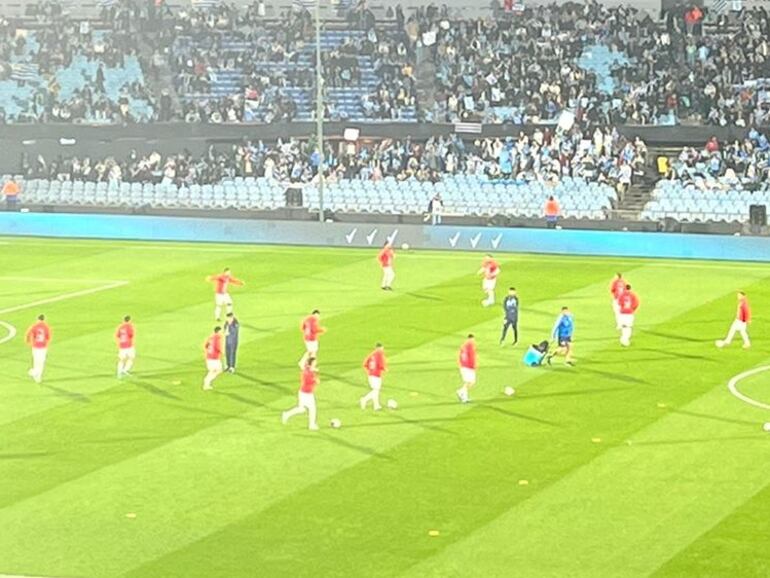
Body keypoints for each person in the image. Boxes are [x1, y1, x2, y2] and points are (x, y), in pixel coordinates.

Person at [282, 357, 320, 430]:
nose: (316, 363)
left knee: (301, 409)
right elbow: (316, 381)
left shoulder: (307, 369)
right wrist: (316, 375)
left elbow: (302, 364)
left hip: (302, 392)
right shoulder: (309, 374)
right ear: (311, 364)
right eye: (314, 362)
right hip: (307, 394)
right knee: (312, 408)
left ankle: (286, 414)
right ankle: (311, 425)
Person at [360, 342, 387, 411]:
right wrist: (385, 369)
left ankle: (376, 406)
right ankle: (364, 399)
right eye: (381, 348)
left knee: (376, 390)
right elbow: (381, 364)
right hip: (376, 375)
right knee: (376, 390)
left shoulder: (371, 355)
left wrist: (368, 371)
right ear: (380, 348)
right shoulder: (379, 354)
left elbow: (364, 364)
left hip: (371, 375)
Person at [25, 314, 51, 383]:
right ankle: (38, 377)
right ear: (44, 319)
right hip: (43, 347)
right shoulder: (46, 327)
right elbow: (48, 337)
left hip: (35, 346)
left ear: (37, 319)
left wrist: (28, 341)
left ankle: (34, 373)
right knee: (41, 362)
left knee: (36, 361)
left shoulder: (34, 326)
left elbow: (28, 333)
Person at [456, 333, 477, 404]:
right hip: (468, 367)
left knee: (468, 382)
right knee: (471, 382)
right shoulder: (470, 346)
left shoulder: (463, 346)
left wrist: (460, 364)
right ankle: (461, 393)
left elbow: (460, 356)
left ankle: (464, 395)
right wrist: (473, 366)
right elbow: (471, 357)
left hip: (463, 366)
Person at [202, 326, 224, 391]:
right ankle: (206, 382)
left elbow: (205, 345)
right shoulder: (217, 338)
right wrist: (223, 352)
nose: (222, 332)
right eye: (221, 331)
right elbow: (218, 347)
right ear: (218, 332)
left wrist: (207, 352)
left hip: (209, 357)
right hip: (214, 358)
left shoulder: (210, 337)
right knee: (218, 370)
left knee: (213, 370)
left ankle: (207, 383)